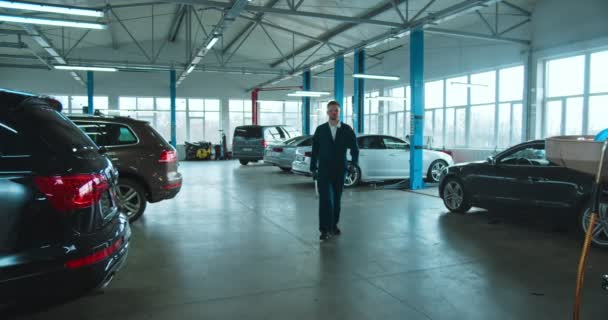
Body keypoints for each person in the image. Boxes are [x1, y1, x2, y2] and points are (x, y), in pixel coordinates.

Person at [310, 101, 359, 241]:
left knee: (336, 199)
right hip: (324, 170)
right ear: (327, 112)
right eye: (331, 110)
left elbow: (355, 148)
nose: (334, 112)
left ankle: (334, 225)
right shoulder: (320, 130)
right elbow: (315, 151)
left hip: (340, 170)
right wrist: (313, 167)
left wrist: (353, 164)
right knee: (326, 200)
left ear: (339, 112)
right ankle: (324, 229)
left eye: (336, 110)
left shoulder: (347, 129)